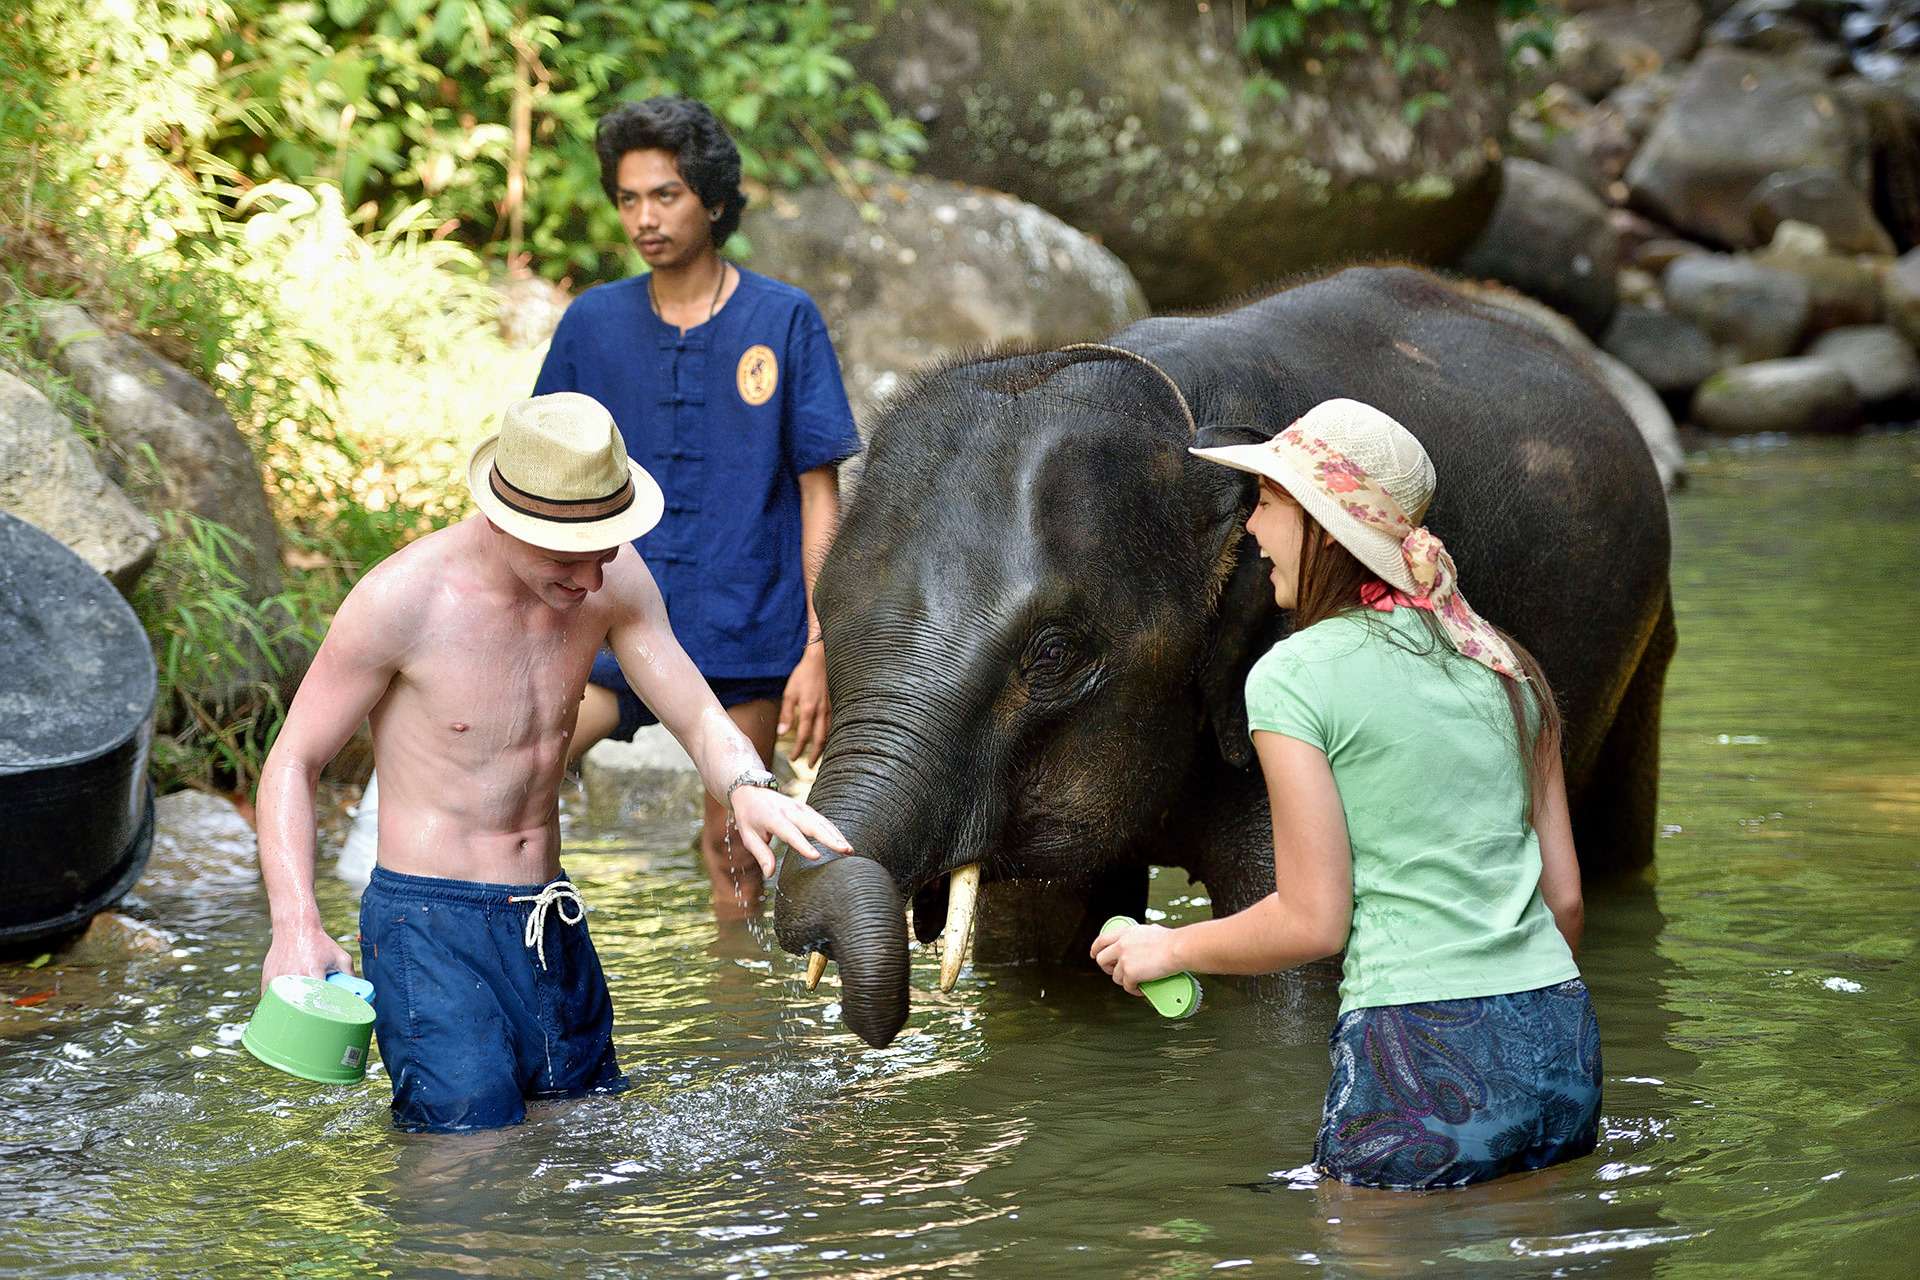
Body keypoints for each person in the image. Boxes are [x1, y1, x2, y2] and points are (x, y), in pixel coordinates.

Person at [256, 393, 853, 1133]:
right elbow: (294, 758)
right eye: (571, 559)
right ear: (506, 520)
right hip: (429, 924)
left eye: (606, 550)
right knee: (466, 1151)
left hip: (548, 914)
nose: (593, 580)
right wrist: (296, 923)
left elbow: (697, 712)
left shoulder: (611, 578)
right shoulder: (402, 600)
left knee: (583, 1135)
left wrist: (747, 786)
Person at [1092, 398, 1598, 1191]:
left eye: (1266, 503)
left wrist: (1170, 946)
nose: (1251, 529)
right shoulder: (1504, 663)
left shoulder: (1295, 676)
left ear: (1326, 527)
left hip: (1421, 1046)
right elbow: (1563, 904)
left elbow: (1313, 920)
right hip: (1560, 1037)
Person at [531, 94, 862, 919]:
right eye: (629, 198)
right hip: (604, 622)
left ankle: (735, 1033)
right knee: (516, 774)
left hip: (745, 636)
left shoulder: (783, 320)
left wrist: (816, 650)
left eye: (666, 195)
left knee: (737, 857)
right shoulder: (592, 323)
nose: (644, 217)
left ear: (713, 200)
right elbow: (538, 490)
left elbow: (819, 493)